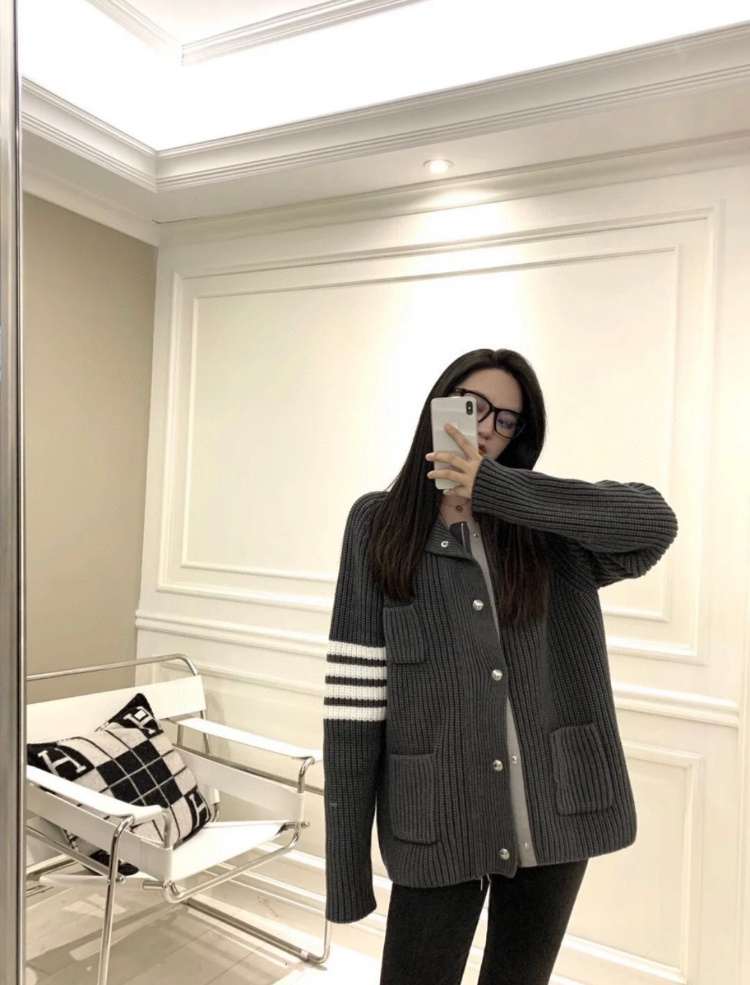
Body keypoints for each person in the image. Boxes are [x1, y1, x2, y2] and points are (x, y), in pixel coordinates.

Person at [322, 348, 678, 984]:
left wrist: (496, 489)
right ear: (437, 407)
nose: (486, 428)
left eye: (507, 420)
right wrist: (346, 868)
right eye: (472, 407)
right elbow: (355, 703)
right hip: (438, 814)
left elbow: (653, 522)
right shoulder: (377, 524)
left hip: (552, 808)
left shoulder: (542, 530)